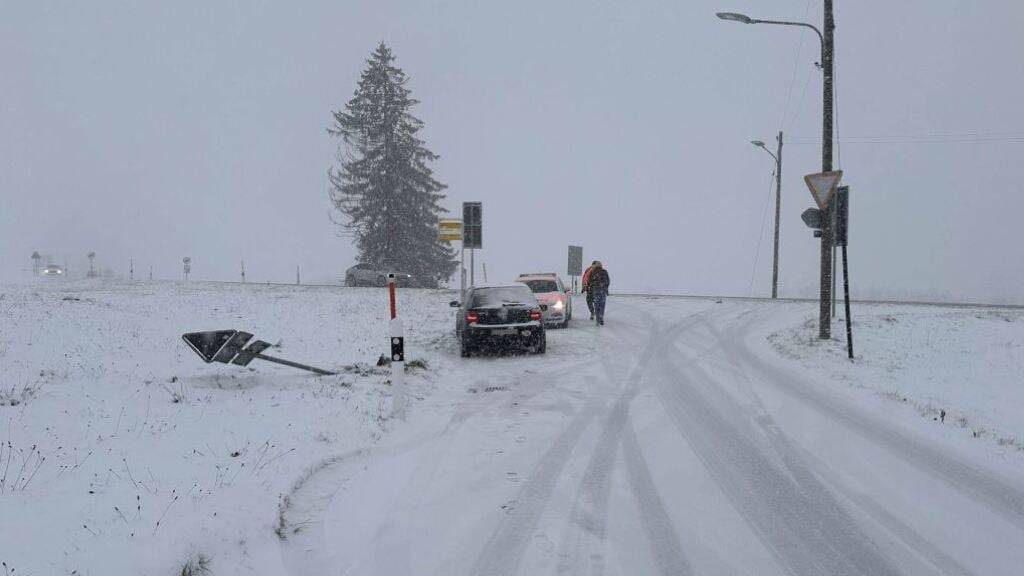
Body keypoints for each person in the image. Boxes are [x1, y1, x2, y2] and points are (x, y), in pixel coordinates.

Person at [588, 261, 610, 326]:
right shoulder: (604, 272)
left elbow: (590, 281)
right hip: (603, 291)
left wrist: (592, 286)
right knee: (602, 305)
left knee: (596, 305)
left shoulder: (593, 272)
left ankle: (598, 319)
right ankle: (601, 316)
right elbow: (608, 281)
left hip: (596, 291)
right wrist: (604, 286)